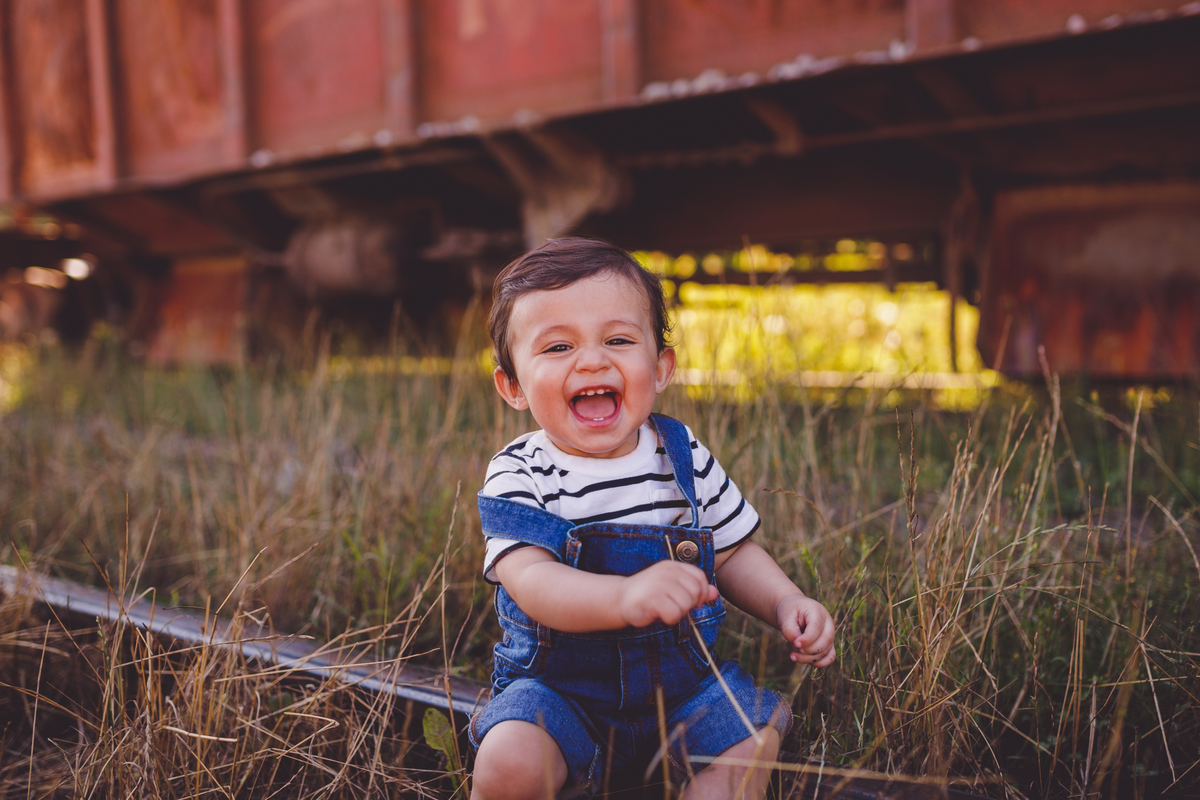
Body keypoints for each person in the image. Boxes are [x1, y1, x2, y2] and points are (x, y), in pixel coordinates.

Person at [469, 238, 836, 800]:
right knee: (509, 756)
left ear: (661, 367)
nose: (592, 360)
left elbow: (733, 552)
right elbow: (533, 583)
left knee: (750, 739)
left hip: (684, 692)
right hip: (558, 693)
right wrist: (623, 599)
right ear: (513, 386)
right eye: (558, 346)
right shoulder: (521, 472)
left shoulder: (681, 454)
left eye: (618, 340)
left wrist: (785, 602)